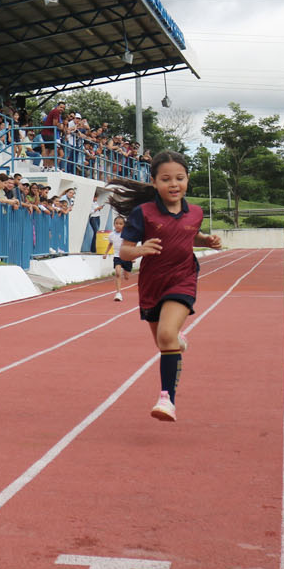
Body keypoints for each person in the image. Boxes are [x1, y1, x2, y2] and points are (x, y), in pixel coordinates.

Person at [112, 151, 224, 422]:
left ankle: (167, 401)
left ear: (187, 179)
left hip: (182, 279)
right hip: (152, 284)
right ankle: (176, 339)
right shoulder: (143, 213)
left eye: (179, 178)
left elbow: (188, 236)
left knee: (165, 336)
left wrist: (206, 241)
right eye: (166, 179)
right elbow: (124, 252)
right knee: (165, 342)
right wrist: (140, 249)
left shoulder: (195, 212)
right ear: (153, 182)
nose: (174, 184)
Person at [107, 213, 132, 302]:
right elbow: (110, 243)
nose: (118, 225)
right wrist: (105, 253)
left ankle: (126, 270)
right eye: (116, 223)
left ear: (124, 225)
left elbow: (130, 245)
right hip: (117, 256)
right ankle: (118, 293)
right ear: (114, 224)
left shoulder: (127, 234)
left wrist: (132, 257)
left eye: (120, 224)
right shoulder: (111, 235)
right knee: (117, 273)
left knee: (127, 277)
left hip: (126, 257)